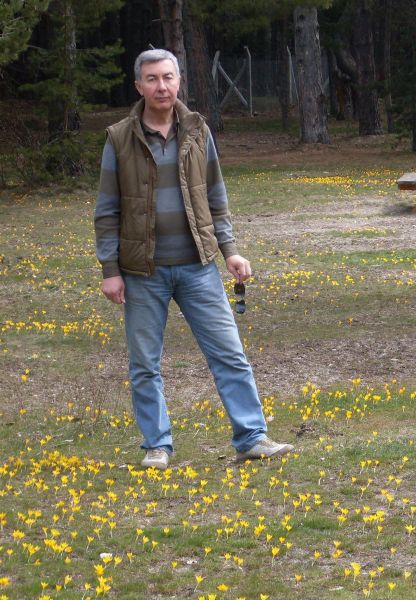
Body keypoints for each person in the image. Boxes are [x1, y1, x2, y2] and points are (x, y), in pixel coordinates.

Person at [94, 49, 293, 470]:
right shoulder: (119, 137)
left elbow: (216, 196)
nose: (161, 86)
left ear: (179, 80)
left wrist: (230, 251)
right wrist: (111, 271)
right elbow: (107, 211)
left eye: (168, 77)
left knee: (230, 355)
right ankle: (157, 445)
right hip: (142, 271)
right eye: (152, 79)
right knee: (144, 365)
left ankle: (252, 438)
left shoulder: (199, 130)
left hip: (198, 267)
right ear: (138, 86)